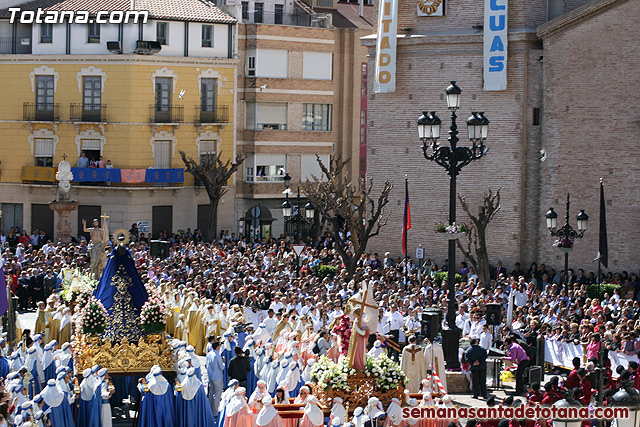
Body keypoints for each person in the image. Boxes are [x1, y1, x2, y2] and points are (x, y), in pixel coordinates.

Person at [206, 341, 225, 419]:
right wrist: (224, 362)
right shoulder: (217, 356)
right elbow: (222, 367)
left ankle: (210, 410)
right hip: (217, 377)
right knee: (217, 394)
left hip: (210, 376)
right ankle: (215, 412)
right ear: (217, 347)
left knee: (211, 393)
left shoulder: (208, 354)